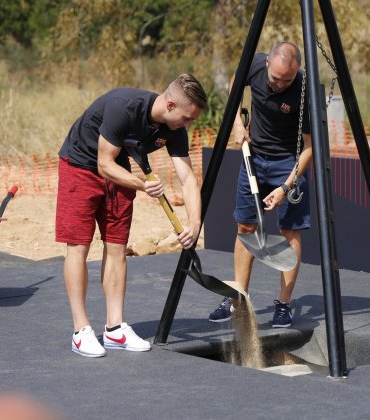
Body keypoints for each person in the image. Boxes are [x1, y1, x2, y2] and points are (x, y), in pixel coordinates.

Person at [56, 74, 207, 357]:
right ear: (171, 105)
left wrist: (195, 223)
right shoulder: (123, 106)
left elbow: (188, 180)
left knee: (116, 247)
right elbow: (103, 164)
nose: (188, 125)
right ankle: (81, 331)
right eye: (187, 118)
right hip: (80, 165)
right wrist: (142, 184)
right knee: (78, 247)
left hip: (119, 169)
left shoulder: (174, 128)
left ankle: (114, 329)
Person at [208, 41, 312, 328]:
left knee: (290, 230)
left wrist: (285, 188)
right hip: (253, 157)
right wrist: (237, 123)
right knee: (245, 226)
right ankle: (238, 295)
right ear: (267, 64)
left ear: (297, 72)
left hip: (288, 163)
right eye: (274, 78)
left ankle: (284, 303)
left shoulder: (305, 90)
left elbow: (309, 148)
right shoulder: (256, 63)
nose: (278, 85)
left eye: (286, 80)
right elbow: (235, 82)